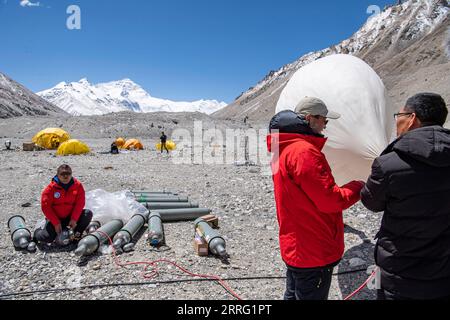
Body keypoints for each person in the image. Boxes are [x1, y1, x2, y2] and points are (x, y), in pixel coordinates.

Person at [267, 97, 365, 300]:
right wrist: (358, 186)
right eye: (324, 121)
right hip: (314, 248)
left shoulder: (283, 149)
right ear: (310, 118)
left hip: (297, 244)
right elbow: (331, 201)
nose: (325, 126)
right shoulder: (304, 151)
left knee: (293, 294)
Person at [361, 93, 450, 300]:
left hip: (400, 271)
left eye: (398, 115)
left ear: (412, 118)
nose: (396, 122)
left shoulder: (388, 164)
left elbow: (370, 202)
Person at [34, 165, 93, 244]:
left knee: (87, 213)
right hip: (56, 218)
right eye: (62, 174)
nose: (65, 177)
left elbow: (80, 203)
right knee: (47, 238)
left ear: (71, 174)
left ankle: (76, 235)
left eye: (68, 174)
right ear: (57, 175)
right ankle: (37, 232)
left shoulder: (78, 186)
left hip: (70, 217)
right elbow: (46, 207)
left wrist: (74, 219)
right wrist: (56, 223)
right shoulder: (51, 188)